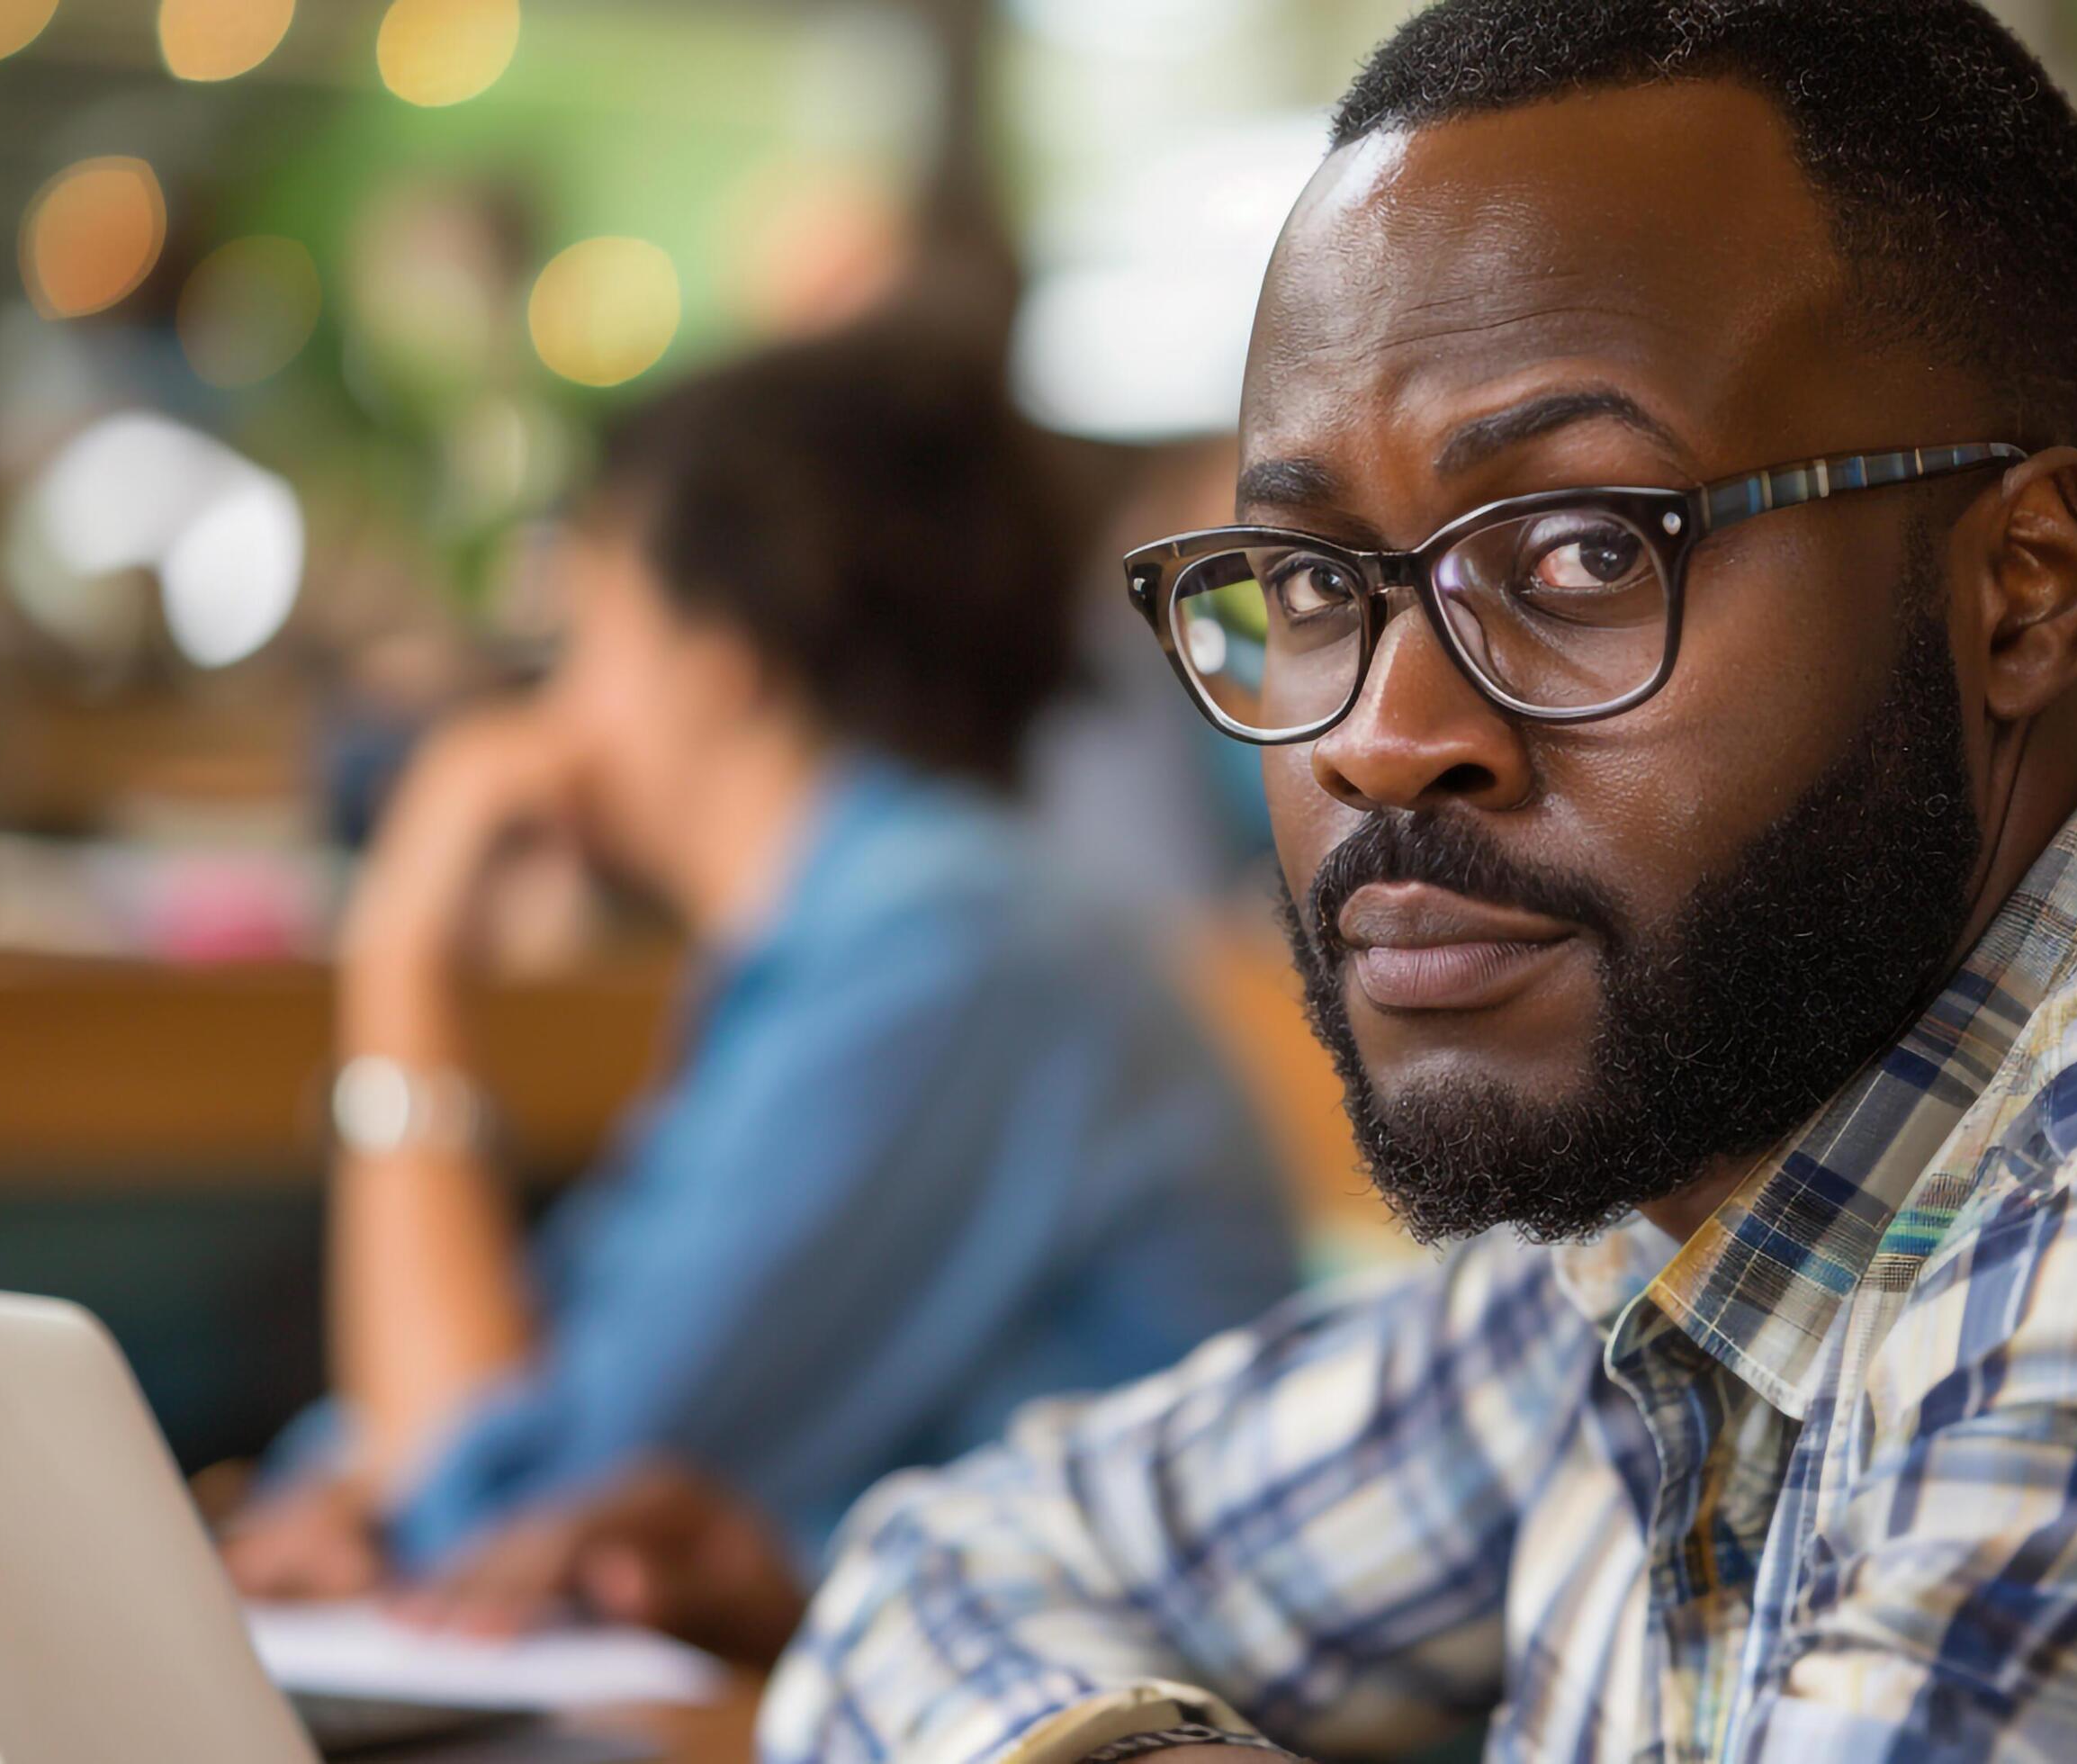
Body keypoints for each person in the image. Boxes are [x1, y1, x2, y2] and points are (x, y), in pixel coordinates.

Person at [448, 3, 2077, 1756]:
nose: (1386, 730)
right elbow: (941, 1568)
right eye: (1307, 579)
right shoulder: (1724, 1143)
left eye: (1583, 551)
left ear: (2021, 588)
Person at [220, 326, 1299, 1606]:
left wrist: (398, 959)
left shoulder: (948, 947)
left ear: (721, 655)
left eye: (589, 638)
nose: (557, 713)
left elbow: (508, 1506)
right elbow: (537, 1390)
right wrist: (343, 1489)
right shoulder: (890, 922)